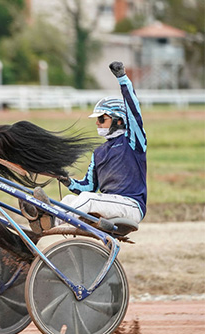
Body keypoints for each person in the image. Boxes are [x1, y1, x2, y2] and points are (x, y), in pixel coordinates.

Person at [56, 61, 147, 225]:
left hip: (131, 206)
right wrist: (66, 180)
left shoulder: (133, 142)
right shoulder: (99, 152)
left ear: (119, 121)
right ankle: (41, 221)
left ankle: (52, 222)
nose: (97, 123)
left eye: (101, 118)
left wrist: (122, 79)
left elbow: (134, 112)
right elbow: (88, 187)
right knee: (70, 199)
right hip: (108, 203)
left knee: (87, 200)